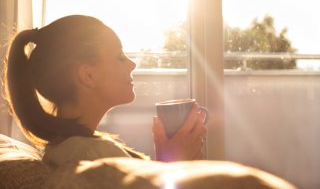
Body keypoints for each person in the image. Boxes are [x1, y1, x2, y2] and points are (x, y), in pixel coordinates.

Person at [4, 15, 207, 167]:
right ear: (88, 76)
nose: (132, 64)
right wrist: (171, 163)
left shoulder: (71, 149)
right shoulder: (93, 156)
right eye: (119, 57)